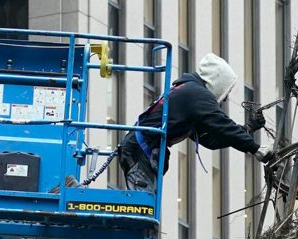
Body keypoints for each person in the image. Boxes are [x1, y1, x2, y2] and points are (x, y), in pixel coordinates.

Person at [117, 53, 273, 192]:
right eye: (226, 92)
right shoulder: (196, 94)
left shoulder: (189, 96)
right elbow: (221, 124)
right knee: (143, 212)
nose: (225, 98)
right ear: (217, 82)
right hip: (140, 151)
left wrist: (248, 128)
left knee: (146, 212)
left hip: (139, 149)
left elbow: (210, 139)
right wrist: (255, 148)